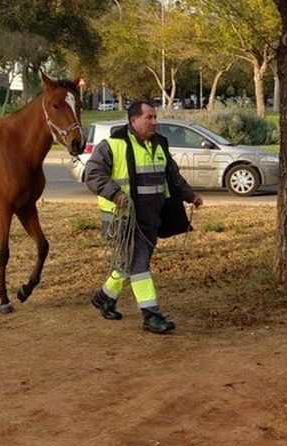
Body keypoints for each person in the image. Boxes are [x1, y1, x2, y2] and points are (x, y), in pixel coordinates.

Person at [71, 100, 202, 334]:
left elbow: (172, 177)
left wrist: (191, 196)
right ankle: (151, 315)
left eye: (155, 117)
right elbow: (93, 174)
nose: (154, 122)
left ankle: (104, 298)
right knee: (139, 264)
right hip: (122, 219)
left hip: (151, 218)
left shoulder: (160, 144)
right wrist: (116, 194)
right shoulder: (112, 145)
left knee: (128, 263)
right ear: (133, 120)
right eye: (149, 117)